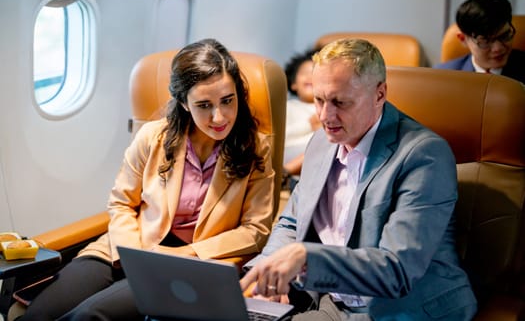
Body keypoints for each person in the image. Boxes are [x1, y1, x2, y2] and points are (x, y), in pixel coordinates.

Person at [20, 38, 275, 321]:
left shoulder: (255, 148)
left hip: (184, 264)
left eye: (228, 100)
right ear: (184, 103)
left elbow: (257, 229)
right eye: (204, 105)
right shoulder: (154, 137)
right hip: (122, 248)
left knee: (89, 316)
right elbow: (121, 203)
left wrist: (187, 254)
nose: (219, 116)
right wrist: (133, 255)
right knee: (38, 314)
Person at [241, 38, 478, 320]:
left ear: (380, 94)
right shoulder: (321, 141)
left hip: (402, 308)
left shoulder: (424, 155)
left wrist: (307, 259)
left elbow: (396, 271)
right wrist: (269, 274)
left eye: (340, 102)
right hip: (334, 301)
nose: (326, 116)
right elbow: (293, 221)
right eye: (319, 100)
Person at [434, 0, 525, 84]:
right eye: (485, 41)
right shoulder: (442, 77)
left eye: (505, 36)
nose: (498, 48)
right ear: (463, 39)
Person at [282, 48, 321, 191]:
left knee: (329, 143)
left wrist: (320, 131)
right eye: (305, 73)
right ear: (293, 83)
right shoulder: (288, 107)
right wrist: (308, 126)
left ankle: (286, 176)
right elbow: (279, 136)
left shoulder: (329, 108)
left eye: (316, 74)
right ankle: (284, 174)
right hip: (288, 152)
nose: (310, 77)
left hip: (316, 158)